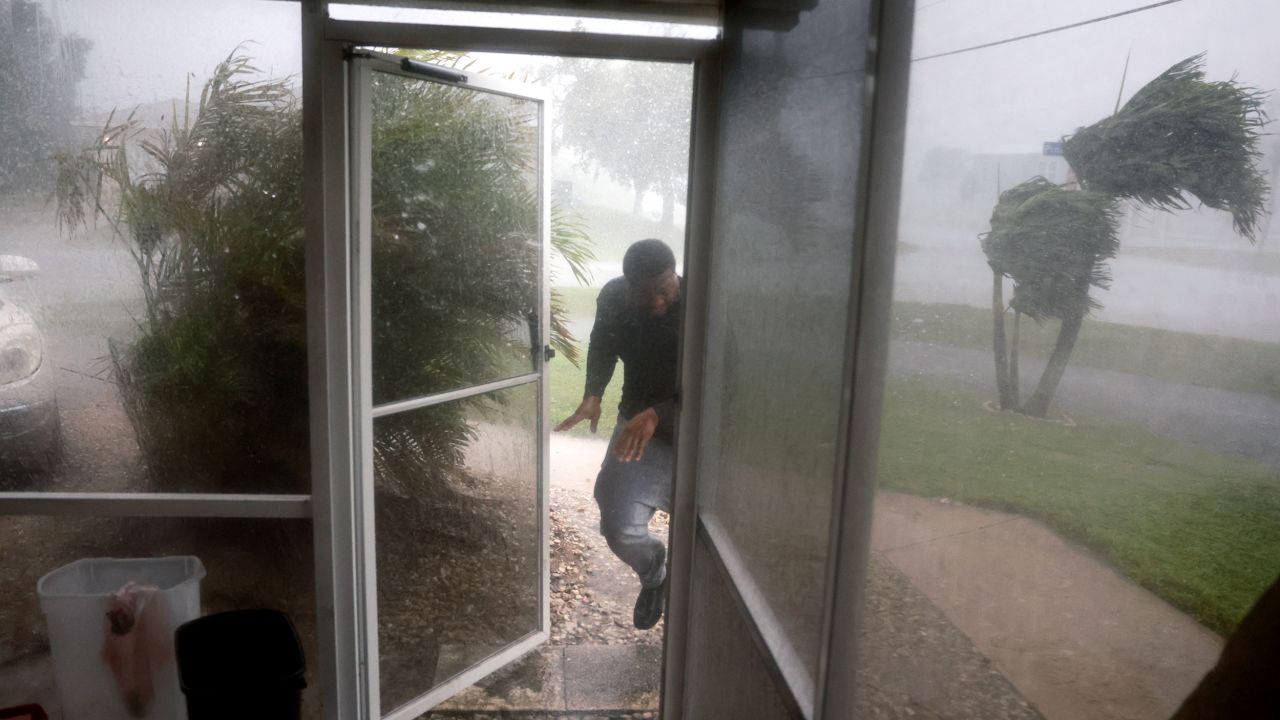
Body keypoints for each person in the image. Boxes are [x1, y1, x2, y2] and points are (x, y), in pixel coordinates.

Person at [555, 238, 681, 630]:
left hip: (698, 430)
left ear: (675, 273)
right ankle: (656, 574)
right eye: (646, 296)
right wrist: (594, 393)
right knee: (617, 522)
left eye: (664, 290)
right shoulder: (614, 299)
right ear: (629, 289)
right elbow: (602, 344)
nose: (658, 303)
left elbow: (724, 387)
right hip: (636, 427)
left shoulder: (703, 304)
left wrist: (659, 414)